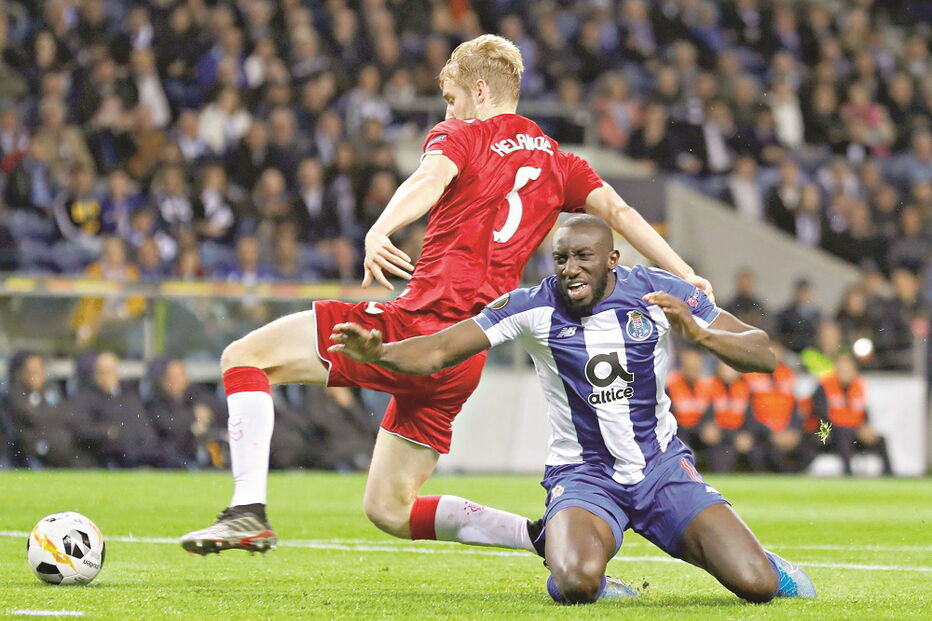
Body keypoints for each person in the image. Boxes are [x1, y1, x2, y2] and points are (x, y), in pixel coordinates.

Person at [180, 35, 713, 556]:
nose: (449, 110)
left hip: (419, 327)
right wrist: (686, 273)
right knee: (389, 508)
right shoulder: (558, 159)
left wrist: (380, 228)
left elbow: (429, 178)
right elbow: (619, 213)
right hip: (464, 353)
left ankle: (246, 510)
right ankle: (539, 537)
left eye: (452, 98)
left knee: (243, 357)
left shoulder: (462, 136)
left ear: (480, 90)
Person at [329, 215, 814, 604]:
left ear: (613, 260)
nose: (570, 268)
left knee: (757, 586)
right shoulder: (530, 306)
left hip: (662, 470)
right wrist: (379, 355)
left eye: (583, 257)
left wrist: (700, 333)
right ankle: (580, 567)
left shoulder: (658, 292)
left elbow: (762, 354)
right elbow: (438, 350)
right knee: (577, 583)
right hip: (585, 476)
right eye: (560, 258)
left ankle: (764, 562)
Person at [810, 352, 893, 476]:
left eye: (848, 369)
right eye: (841, 368)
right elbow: (821, 415)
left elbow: (863, 412)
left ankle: (888, 474)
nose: (845, 372)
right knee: (843, 434)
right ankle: (848, 473)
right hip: (829, 433)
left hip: (854, 431)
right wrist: (848, 428)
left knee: (880, 439)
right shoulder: (824, 386)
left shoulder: (858, 386)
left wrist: (865, 427)